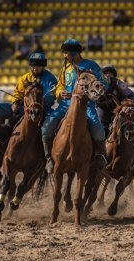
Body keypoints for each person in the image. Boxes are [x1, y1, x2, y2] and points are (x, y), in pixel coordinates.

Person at [45, 39, 109, 172]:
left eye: (66, 53)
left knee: (98, 130)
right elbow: (60, 85)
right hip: (64, 106)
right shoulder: (66, 68)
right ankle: (48, 158)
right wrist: (60, 92)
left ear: (74, 53)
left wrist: (93, 93)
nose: (64, 56)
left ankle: (99, 155)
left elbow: (104, 83)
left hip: (86, 107)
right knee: (47, 127)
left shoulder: (91, 66)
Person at [0, 52, 58, 155]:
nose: (35, 69)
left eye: (38, 66)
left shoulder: (50, 79)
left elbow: (52, 94)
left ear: (43, 66)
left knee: (52, 125)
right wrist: (15, 102)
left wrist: (38, 102)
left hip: (42, 109)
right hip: (23, 108)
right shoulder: (24, 78)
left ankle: (49, 153)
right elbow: (17, 92)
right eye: (33, 66)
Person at [97, 64, 134, 136]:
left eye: (110, 73)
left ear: (113, 75)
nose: (108, 75)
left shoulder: (119, 83)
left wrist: (126, 104)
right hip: (102, 109)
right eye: (105, 73)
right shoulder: (97, 84)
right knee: (100, 126)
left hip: (118, 109)